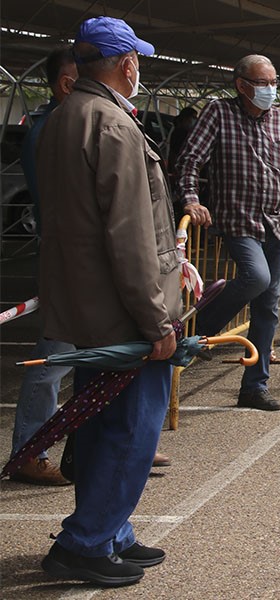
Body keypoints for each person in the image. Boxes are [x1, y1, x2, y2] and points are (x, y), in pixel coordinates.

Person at [35, 16, 182, 586]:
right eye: (137, 61)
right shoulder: (113, 125)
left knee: (97, 420)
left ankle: (109, 529)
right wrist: (155, 318)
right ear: (126, 64)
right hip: (123, 309)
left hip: (84, 301)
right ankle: (87, 540)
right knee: (131, 428)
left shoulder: (64, 116)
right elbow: (130, 234)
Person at [176, 54, 280, 411]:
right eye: (262, 83)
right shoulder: (219, 113)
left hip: (276, 222)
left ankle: (254, 386)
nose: (270, 90)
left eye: (273, 83)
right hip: (238, 219)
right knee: (256, 278)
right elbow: (190, 160)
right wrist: (191, 199)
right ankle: (202, 330)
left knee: (267, 310)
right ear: (241, 85)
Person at [8, 46, 78, 487]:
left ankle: (101, 441)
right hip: (71, 259)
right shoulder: (53, 129)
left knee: (97, 357)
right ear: (68, 83)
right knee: (55, 358)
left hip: (80, 258)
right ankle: (29, 452)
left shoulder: (66, 122)